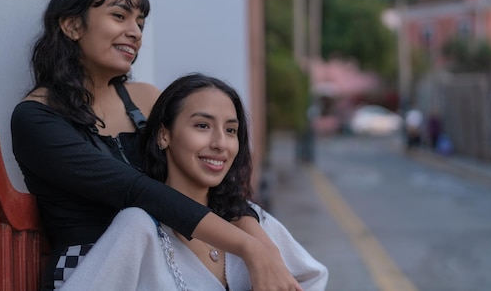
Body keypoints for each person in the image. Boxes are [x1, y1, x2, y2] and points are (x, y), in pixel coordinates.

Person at [10, 0, 302, 291]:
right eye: (119, 16)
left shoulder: (145, 100)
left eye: (140, 22)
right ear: (72, 25)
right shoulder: (36, 118)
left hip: (167, 263)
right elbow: (134, 190)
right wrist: (247, 247)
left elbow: (208, 186)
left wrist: (265, 249)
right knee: (137, 220)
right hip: (92, 270)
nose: (135, 32)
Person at [60, 73, 329, 290]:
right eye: (202, 126)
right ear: (164, 135)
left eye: (231, 130)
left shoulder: (251, 220)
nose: (220, 144)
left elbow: (314, 278)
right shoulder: (138, 227)